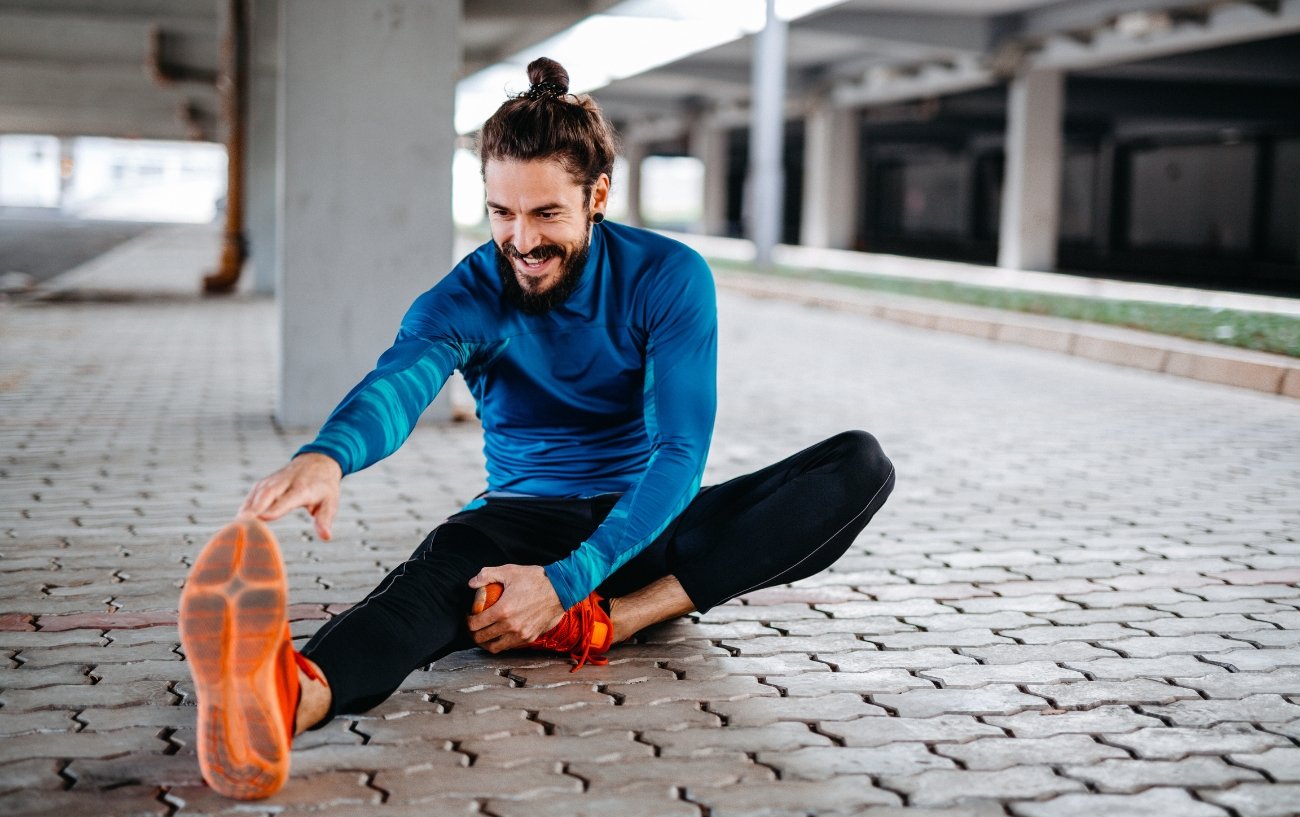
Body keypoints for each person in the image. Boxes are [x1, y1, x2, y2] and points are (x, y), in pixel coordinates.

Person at [178, 57, 896, 801]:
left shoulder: (667, 276)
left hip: (644, 519)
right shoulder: (467, 294)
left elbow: (680, 452)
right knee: (422, 590)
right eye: (501, 212)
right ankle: (281, 701)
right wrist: (330, 455)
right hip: (520, 523)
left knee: (858, 466)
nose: (520, 240)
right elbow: (400, 383)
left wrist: (568, 590)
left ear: (598, 197)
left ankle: (613, 622)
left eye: (546, 214)